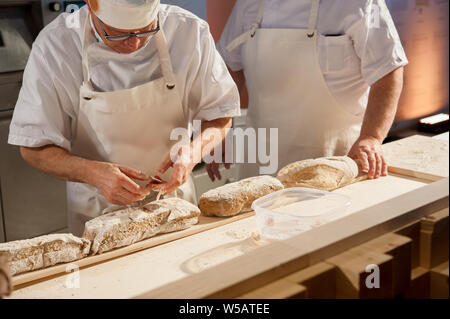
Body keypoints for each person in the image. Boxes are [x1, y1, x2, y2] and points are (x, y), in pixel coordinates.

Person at [8, 0, 240, 236]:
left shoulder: (188, 31)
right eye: (119, 34)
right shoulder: (56, 46)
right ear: (90, 5)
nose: (134, 42)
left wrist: (194, 152)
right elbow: (33, 148)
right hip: (97, 217)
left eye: (146, 30)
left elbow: (220, 114)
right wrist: (92, 173)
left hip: (175, 206)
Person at [209, 0, 406, 181]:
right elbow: (228, 68)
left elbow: (388, 69)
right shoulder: (249, 4)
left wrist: (371, 137)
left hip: (336, 162)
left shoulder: (357, 3)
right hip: (261, 168)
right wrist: (217, 125)